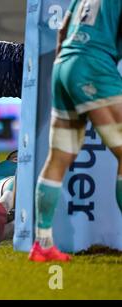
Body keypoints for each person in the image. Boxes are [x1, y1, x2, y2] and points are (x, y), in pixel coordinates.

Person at [29, 0, 122, 262]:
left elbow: (62, 31)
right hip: (95, 64)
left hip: (64, 65)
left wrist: (68, 71)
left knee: (58, 158)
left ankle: (43, 243)